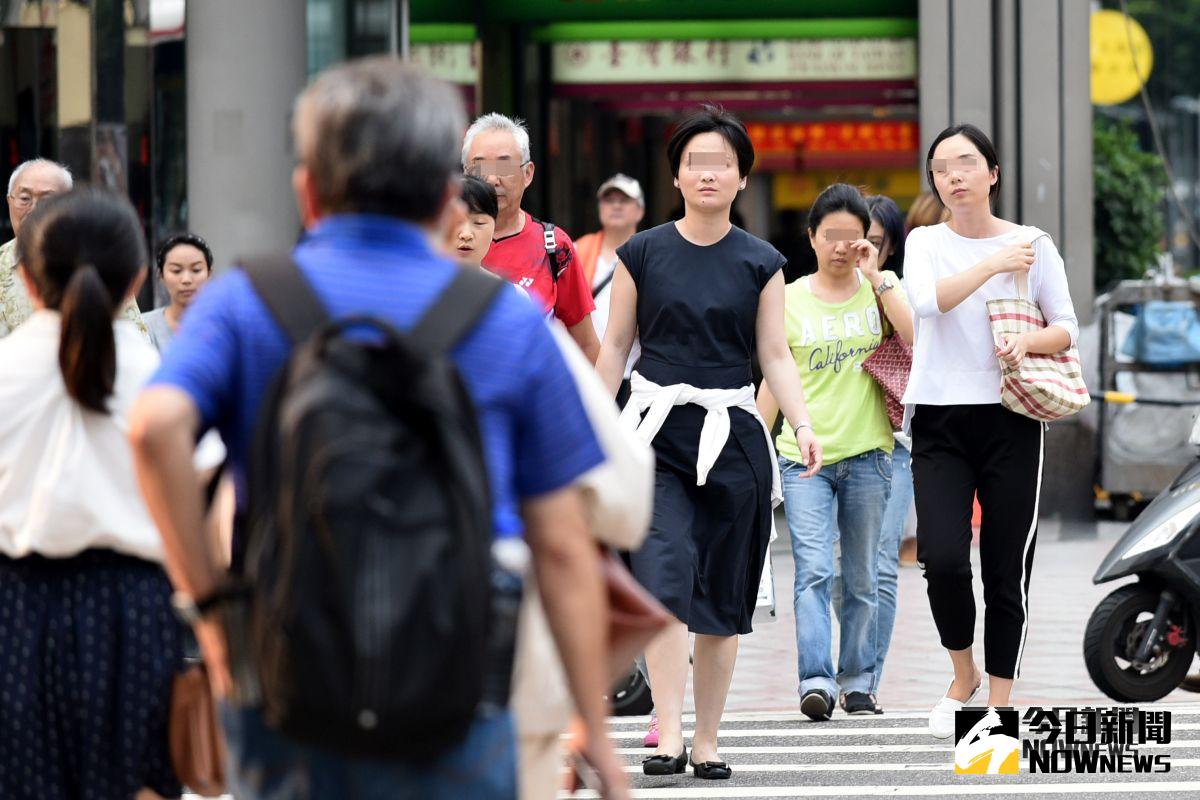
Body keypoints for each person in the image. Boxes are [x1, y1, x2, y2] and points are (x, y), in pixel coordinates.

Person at [128, 57, 629, 799]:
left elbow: (154, 429)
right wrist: (594, 732)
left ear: (307, 189)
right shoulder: (504, 320)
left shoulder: (247, 302)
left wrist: (210, 610)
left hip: (285, 677)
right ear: (444, 196)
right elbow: (562, 545)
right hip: (460, 680)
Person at [597, 104, 821, 780]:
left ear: (742, 178)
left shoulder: (763, 262)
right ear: (676, 177)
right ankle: (668, 734)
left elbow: (776, 355)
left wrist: (802, 423)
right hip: (654, 435)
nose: (708, 173)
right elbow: (614, 347)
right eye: (695, 161)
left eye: (722, 162)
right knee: (663, 585)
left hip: (734, 439)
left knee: (722, 600)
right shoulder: (642, 252)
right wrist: (590, 427)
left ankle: (711, 739)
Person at [0, 188, 189, 799]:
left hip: (14, 609)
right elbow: (199, 510)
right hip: (136, 611)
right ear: (137, 279)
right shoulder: (163, 380)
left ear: (26, 281)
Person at [903, 123, 1080, 737]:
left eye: (966, 163)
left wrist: (1026, 340)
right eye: (942, 168)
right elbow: (926, 303)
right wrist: (992, 264)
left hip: (1012, 416)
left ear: (992, 173)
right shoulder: (924, 241)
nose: (954, 175)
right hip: (938, 419)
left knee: (1007, 565)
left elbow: (1066, 327)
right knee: (944, 559)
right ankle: (963, 674)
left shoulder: (1035, 244)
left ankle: (1000, 703)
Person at [757, 184, 913, 720]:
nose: (843, 247)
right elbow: (777, 375)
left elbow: (916, 338)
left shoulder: (880, 291)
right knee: (815, 571)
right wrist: (757, 444)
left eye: (855, 237)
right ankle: (817, 681)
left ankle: (860, 681)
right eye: (832, 236)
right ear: (812, 238)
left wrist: (877, 277)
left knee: (864, 575)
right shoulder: (790, 297)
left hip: (871, 455)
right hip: (805, 459)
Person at [461, 113, 602, 362]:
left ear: (528, 173)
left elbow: (587, 345)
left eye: (504, 166)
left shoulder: (554, 246)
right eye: (481, 167)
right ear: (465, 172)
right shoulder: (439, 242)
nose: (493, 179)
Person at [2, 158, 147, 338]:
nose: (34, 210)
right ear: (9, 201)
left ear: (71, 205)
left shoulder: (100, 261)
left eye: (48, 199)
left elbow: (133, 335)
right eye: (25, 199)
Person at [575, 174, 646, 402]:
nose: (615, 206)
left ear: (640, 210)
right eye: (608, 200)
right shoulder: (577, 250)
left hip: (637, 377)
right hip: (588, 372)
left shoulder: (651, 255)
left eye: (624, 200)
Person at [142, 232, 214, 352]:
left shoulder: (225, 327)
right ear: (161, 276)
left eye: (196, 270)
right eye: (176, 271)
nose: (186, 280)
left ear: (209, 274)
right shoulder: (143, 327)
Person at [447, 174, 498, 268]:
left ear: (494, 228)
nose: (466, 235)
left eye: (479, 222)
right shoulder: (413, 281)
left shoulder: (501, 283)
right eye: (456, 221)